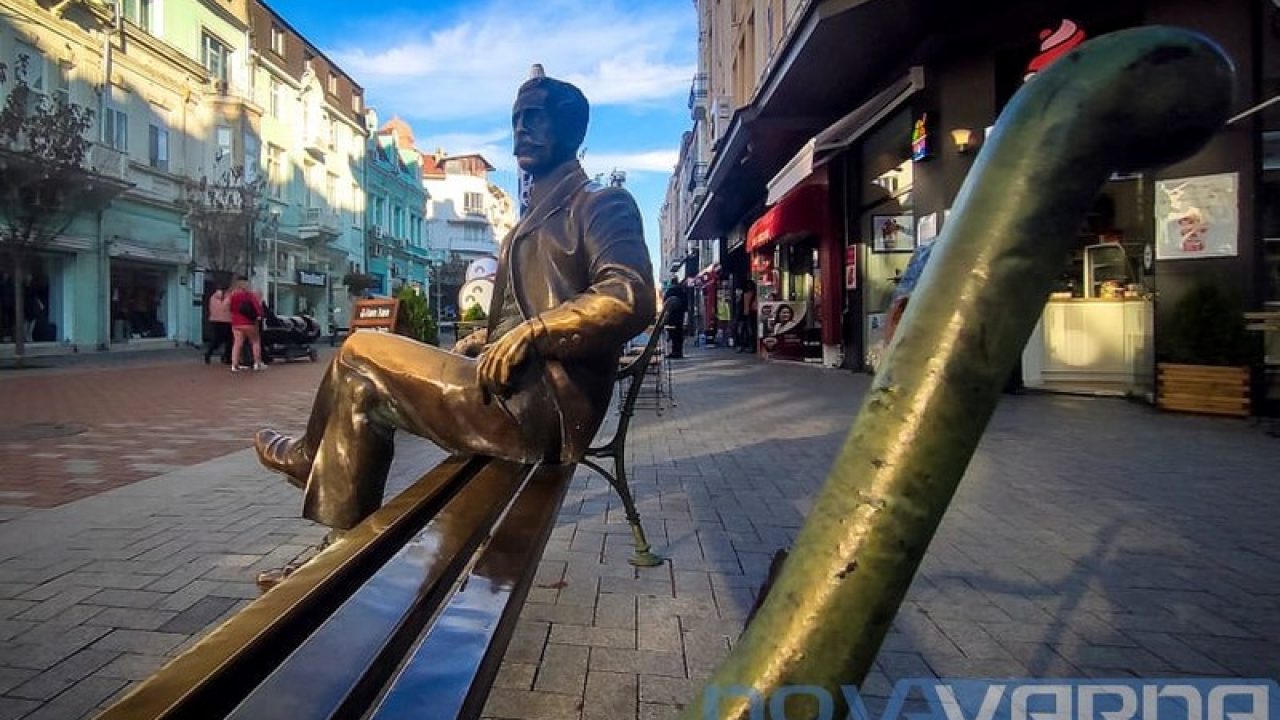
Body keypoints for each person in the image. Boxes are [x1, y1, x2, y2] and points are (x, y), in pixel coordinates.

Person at [253, 71, 655, 531]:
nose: (521, 129)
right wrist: (490, 336)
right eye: (516, 119)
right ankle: (339, 547)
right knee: (360, 388)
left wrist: (536, 332)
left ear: (569, 128)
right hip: (516, 389)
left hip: (538, 407)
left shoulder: (599, 203)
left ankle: (309, 457)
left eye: (535, 117)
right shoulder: (536, 213)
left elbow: (629, 292)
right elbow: (529, 306)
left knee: (359, 351)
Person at [228, 276, 265, 372]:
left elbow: (231, 308)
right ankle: (257, 363)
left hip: (236, 323)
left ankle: (234, 365)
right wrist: (260, 315)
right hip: (248, 323)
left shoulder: (233, 295)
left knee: (237, 343)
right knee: (255, 341)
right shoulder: (249, 295)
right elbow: (257, 307)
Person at [205, 281, 233, 365]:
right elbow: (231, 308)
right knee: (229, 340)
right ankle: (227, 357)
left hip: (215, 320)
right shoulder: (229, 297)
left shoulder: (213, 297)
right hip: (227, 321)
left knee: (216, 340)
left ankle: (209, 353)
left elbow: (211, 307)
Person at [662, 277, 687, 359]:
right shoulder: (682, 291)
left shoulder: (670, 291)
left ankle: (674, 352)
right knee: (679, 334)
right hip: (680, 317)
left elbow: (665, 304)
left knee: (673, 335)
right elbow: (685, 305)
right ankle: (679, 352)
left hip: (672, 317)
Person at [736, 279, 757, 353]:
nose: (748, 287)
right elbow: (741, 304)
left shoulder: (754, 294)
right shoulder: (744, 293)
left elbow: (753, 305)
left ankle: (750, 346)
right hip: (744, 314)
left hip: (750, 314)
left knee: (750, 331)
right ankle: (743, 345)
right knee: (741, 330)